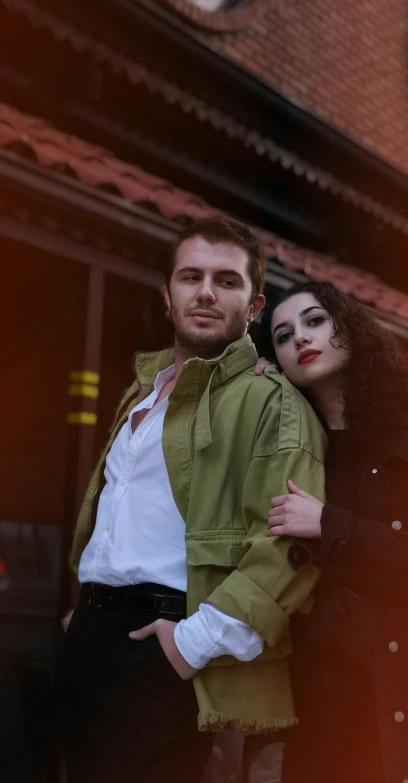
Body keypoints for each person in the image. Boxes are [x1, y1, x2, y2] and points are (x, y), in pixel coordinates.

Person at [54, 218, 326, 783]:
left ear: (254, 306)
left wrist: (188, 645)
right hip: (91, 636)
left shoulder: (270, 402)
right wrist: (85, 614)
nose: (205, 292)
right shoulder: (141, 393)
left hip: (168, 646)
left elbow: (286, 552)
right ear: (168, 295)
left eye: (226, 281)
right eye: (191, 276)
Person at [257, 281, 408, 783]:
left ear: (352, 330)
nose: (301, 340)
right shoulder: (287, 449)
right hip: (316, 696)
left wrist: (327, 524)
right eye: (284, 336)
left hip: (399, 693)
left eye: (315, 321)